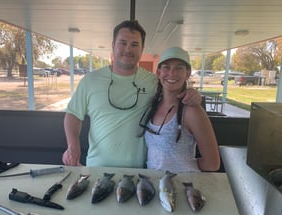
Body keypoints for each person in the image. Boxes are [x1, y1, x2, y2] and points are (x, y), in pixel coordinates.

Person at [62, 20, 201, 168]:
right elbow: (73, 115)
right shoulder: (90, 81)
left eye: (134, 44)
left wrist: (193, 93)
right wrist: (72, 146)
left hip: (139, 172)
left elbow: (175, 88)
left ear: (142, 49)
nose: (128, 49)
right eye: (122, 43)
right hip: (97, 168)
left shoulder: (154, 82)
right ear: (113, 45)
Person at [140, 46, 220, 172]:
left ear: (187, 73)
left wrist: (183, 166)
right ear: (158, 72)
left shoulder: (192, 112)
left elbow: (212, 164)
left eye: (179, 68)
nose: (172, 73)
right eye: (167, 67)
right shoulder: (153, 105)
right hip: (155, 185)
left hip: (181, 187)